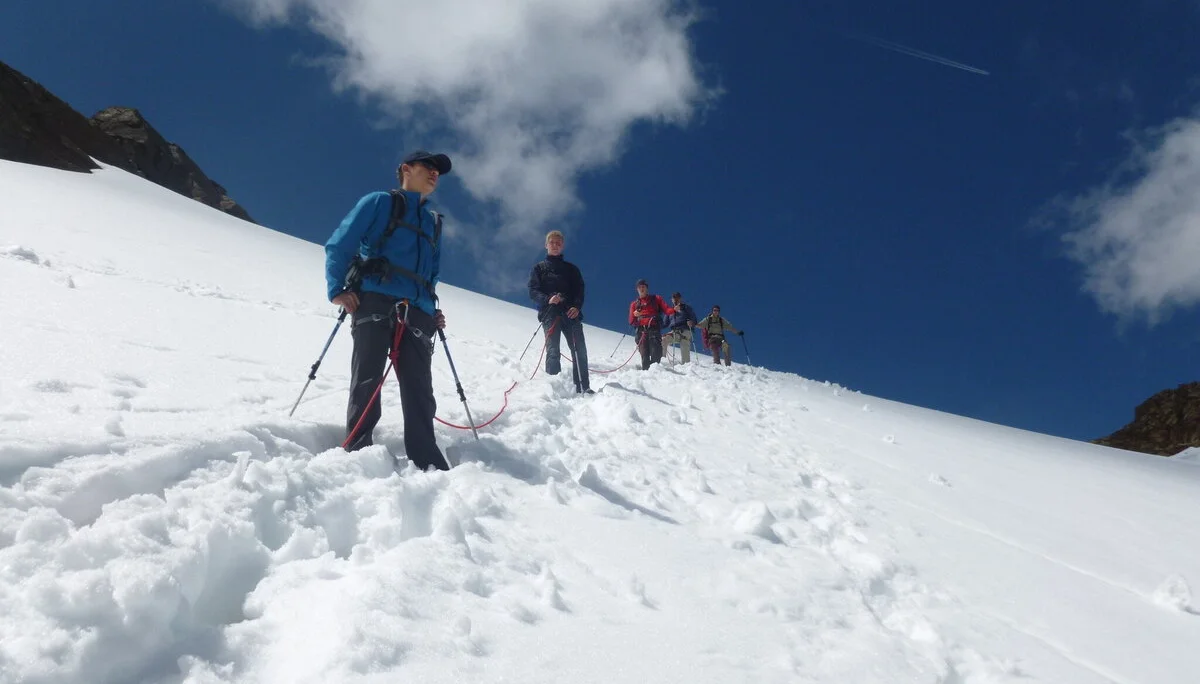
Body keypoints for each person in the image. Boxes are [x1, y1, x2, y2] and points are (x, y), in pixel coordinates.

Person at [324, 150, 452, 470]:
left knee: (419, 389)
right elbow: (341, 244)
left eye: (438, 171)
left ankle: (427, 460)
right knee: (367, 378)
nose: (435, 173)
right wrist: (337, 289)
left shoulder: (433, 222)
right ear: (406, 169)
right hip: (375, 299)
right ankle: (357, 449)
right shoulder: (379, 202)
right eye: (428, 167)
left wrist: (431, 309)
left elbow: (432, 274)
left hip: (418, 311)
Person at [528, 230, 592, 394]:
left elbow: (579, 290)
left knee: (579, 350)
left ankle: (583, 387)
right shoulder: (539, 268)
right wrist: (548, 299)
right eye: (552, 242)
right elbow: (533, 290)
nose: (555, 245)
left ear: (562, 246)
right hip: (550, 312)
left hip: (571, 312)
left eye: (558, 243)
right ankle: (554, 390)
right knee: (553, 350)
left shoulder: (572, 269)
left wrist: (576, 307)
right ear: (546, 245)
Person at [628, 279, 675, 370]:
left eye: (643, 287)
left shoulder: (656, 298)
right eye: (639, 287)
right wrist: (634, 315)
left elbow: (667, 310)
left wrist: (674, 310)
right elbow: (631, 321)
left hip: (654, 328)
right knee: (644, 355)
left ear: (647, 288)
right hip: (641, 330)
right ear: (637, 289)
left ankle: (654, 373)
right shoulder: (634, 304)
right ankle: (646, 373)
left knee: (656, 353)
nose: (641, 289)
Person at [662, 291, 698, 364]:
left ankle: (686, 365)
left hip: (685, 330)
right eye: (674, 298)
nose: (676, 299)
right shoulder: (669, 311)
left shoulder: (686, 307)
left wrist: (691, 322)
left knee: (684, 343)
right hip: (674, 331)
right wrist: (655, 325)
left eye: (677, 297)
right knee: (663, 340)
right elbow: (664, 324)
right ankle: (661, 362)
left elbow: (693, 318)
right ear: (672, 299)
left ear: (680, 299)